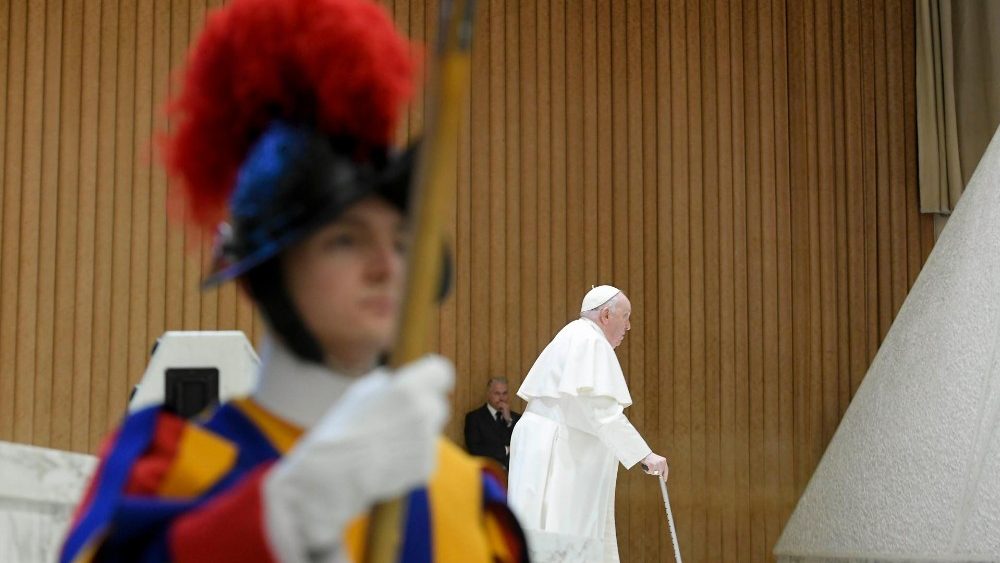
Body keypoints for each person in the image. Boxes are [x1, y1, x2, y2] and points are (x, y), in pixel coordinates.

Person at [59, 0, 525, 561]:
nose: (387, 265)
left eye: (403, 242)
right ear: (265, 275)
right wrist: (285, 513)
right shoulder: (171, 472)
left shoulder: (470, 498)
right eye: (345, 239)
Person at [507, 285, 668, 562]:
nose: (628, 326)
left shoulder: (572, 336)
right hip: (560, 454)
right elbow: (602, 411)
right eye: (625, 317)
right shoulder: (590, 341)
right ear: (606, 315)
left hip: (550, 444)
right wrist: (645, 455)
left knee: (540, 534)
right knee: (563, 534)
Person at [464, 377, 521, 469]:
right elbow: (475, 449)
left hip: (514, 474)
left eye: (504, 393)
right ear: (488, 394)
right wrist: (505, 450)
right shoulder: (474, 418)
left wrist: (509, 421)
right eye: (497, 393)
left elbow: (522, 444)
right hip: (488, 474)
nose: (502, 398)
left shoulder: (517, 418)